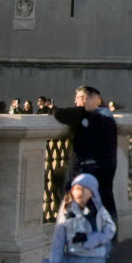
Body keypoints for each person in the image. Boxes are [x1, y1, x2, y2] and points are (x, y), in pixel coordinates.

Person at [53, 85, 119, 223]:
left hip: (86, 171)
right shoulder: (108, 117)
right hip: (105, 171)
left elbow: (60, 115)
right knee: (105, 205)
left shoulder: (87, 116)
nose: (75, 102)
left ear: (85, 99)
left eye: (77, 99)